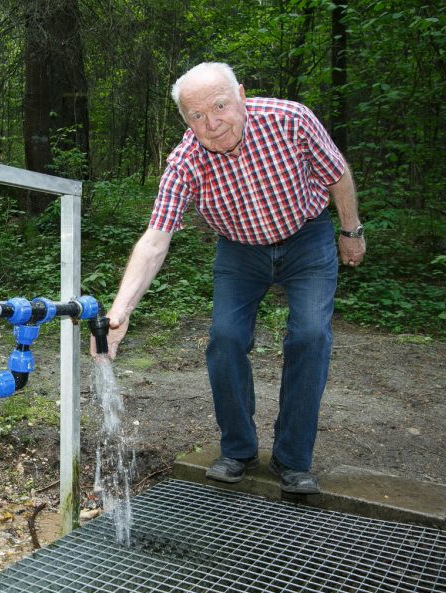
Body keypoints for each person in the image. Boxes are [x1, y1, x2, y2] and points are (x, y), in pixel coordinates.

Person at [97, 62, 366, 494]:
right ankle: (238, 450)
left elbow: (337, 175)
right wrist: (121, 310)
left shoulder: (290, 120)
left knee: (311, 336)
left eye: (220, 106)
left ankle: (293, 459)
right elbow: (155, 237)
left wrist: (351, 231)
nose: (212, 123)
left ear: (241, 94)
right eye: (197, 116)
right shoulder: (185, 160)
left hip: (307, 237)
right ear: (186, 121)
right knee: (224, 337)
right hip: (240, 250)